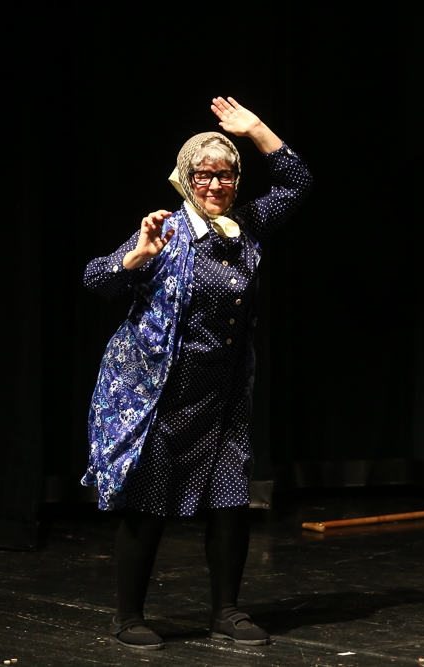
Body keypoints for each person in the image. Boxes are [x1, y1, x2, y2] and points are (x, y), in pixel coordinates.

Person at [81, 97, 312, 649]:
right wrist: (135, 258)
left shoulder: (246, 227)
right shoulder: (165, 232)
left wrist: (257, 129)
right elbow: (94, 279)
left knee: (230, 502)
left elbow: (298, 182)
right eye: (203, 175)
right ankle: (127, 617)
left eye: (225, 174)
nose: (215, 185)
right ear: (185, 178)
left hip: (224, 394)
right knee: (148, 504)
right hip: (162, 395)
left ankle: (227, 611)